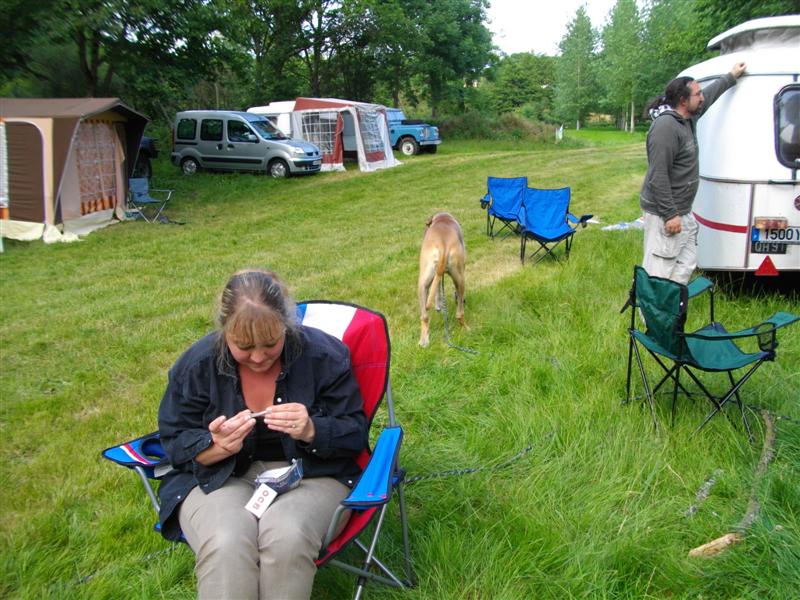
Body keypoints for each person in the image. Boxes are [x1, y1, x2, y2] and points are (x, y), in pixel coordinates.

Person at [157, 269, 368, 599]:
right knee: (227, 540)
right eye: (243, 346)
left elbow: (354, 434)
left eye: (271, 343)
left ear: (287, 324)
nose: (258, 357)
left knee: (287, 534)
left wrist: (312, 429)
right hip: (220, 477)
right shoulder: (198, 365)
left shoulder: (324, 356)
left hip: (312, 474)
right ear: (225, 331)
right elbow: (173, 443)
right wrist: (213, 446)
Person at [640, 62, 746, 284]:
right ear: (683, 100)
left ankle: (670, 307)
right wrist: (669, 214)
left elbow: (710, 93)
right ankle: (652, 315)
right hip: (664, 212)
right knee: (659, 267)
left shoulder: (688, 118)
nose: (702, 98)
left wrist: (731, 76)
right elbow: (658, 175)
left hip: (683, 209)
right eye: (697, 94)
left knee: (687, 261)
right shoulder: (666, 127)